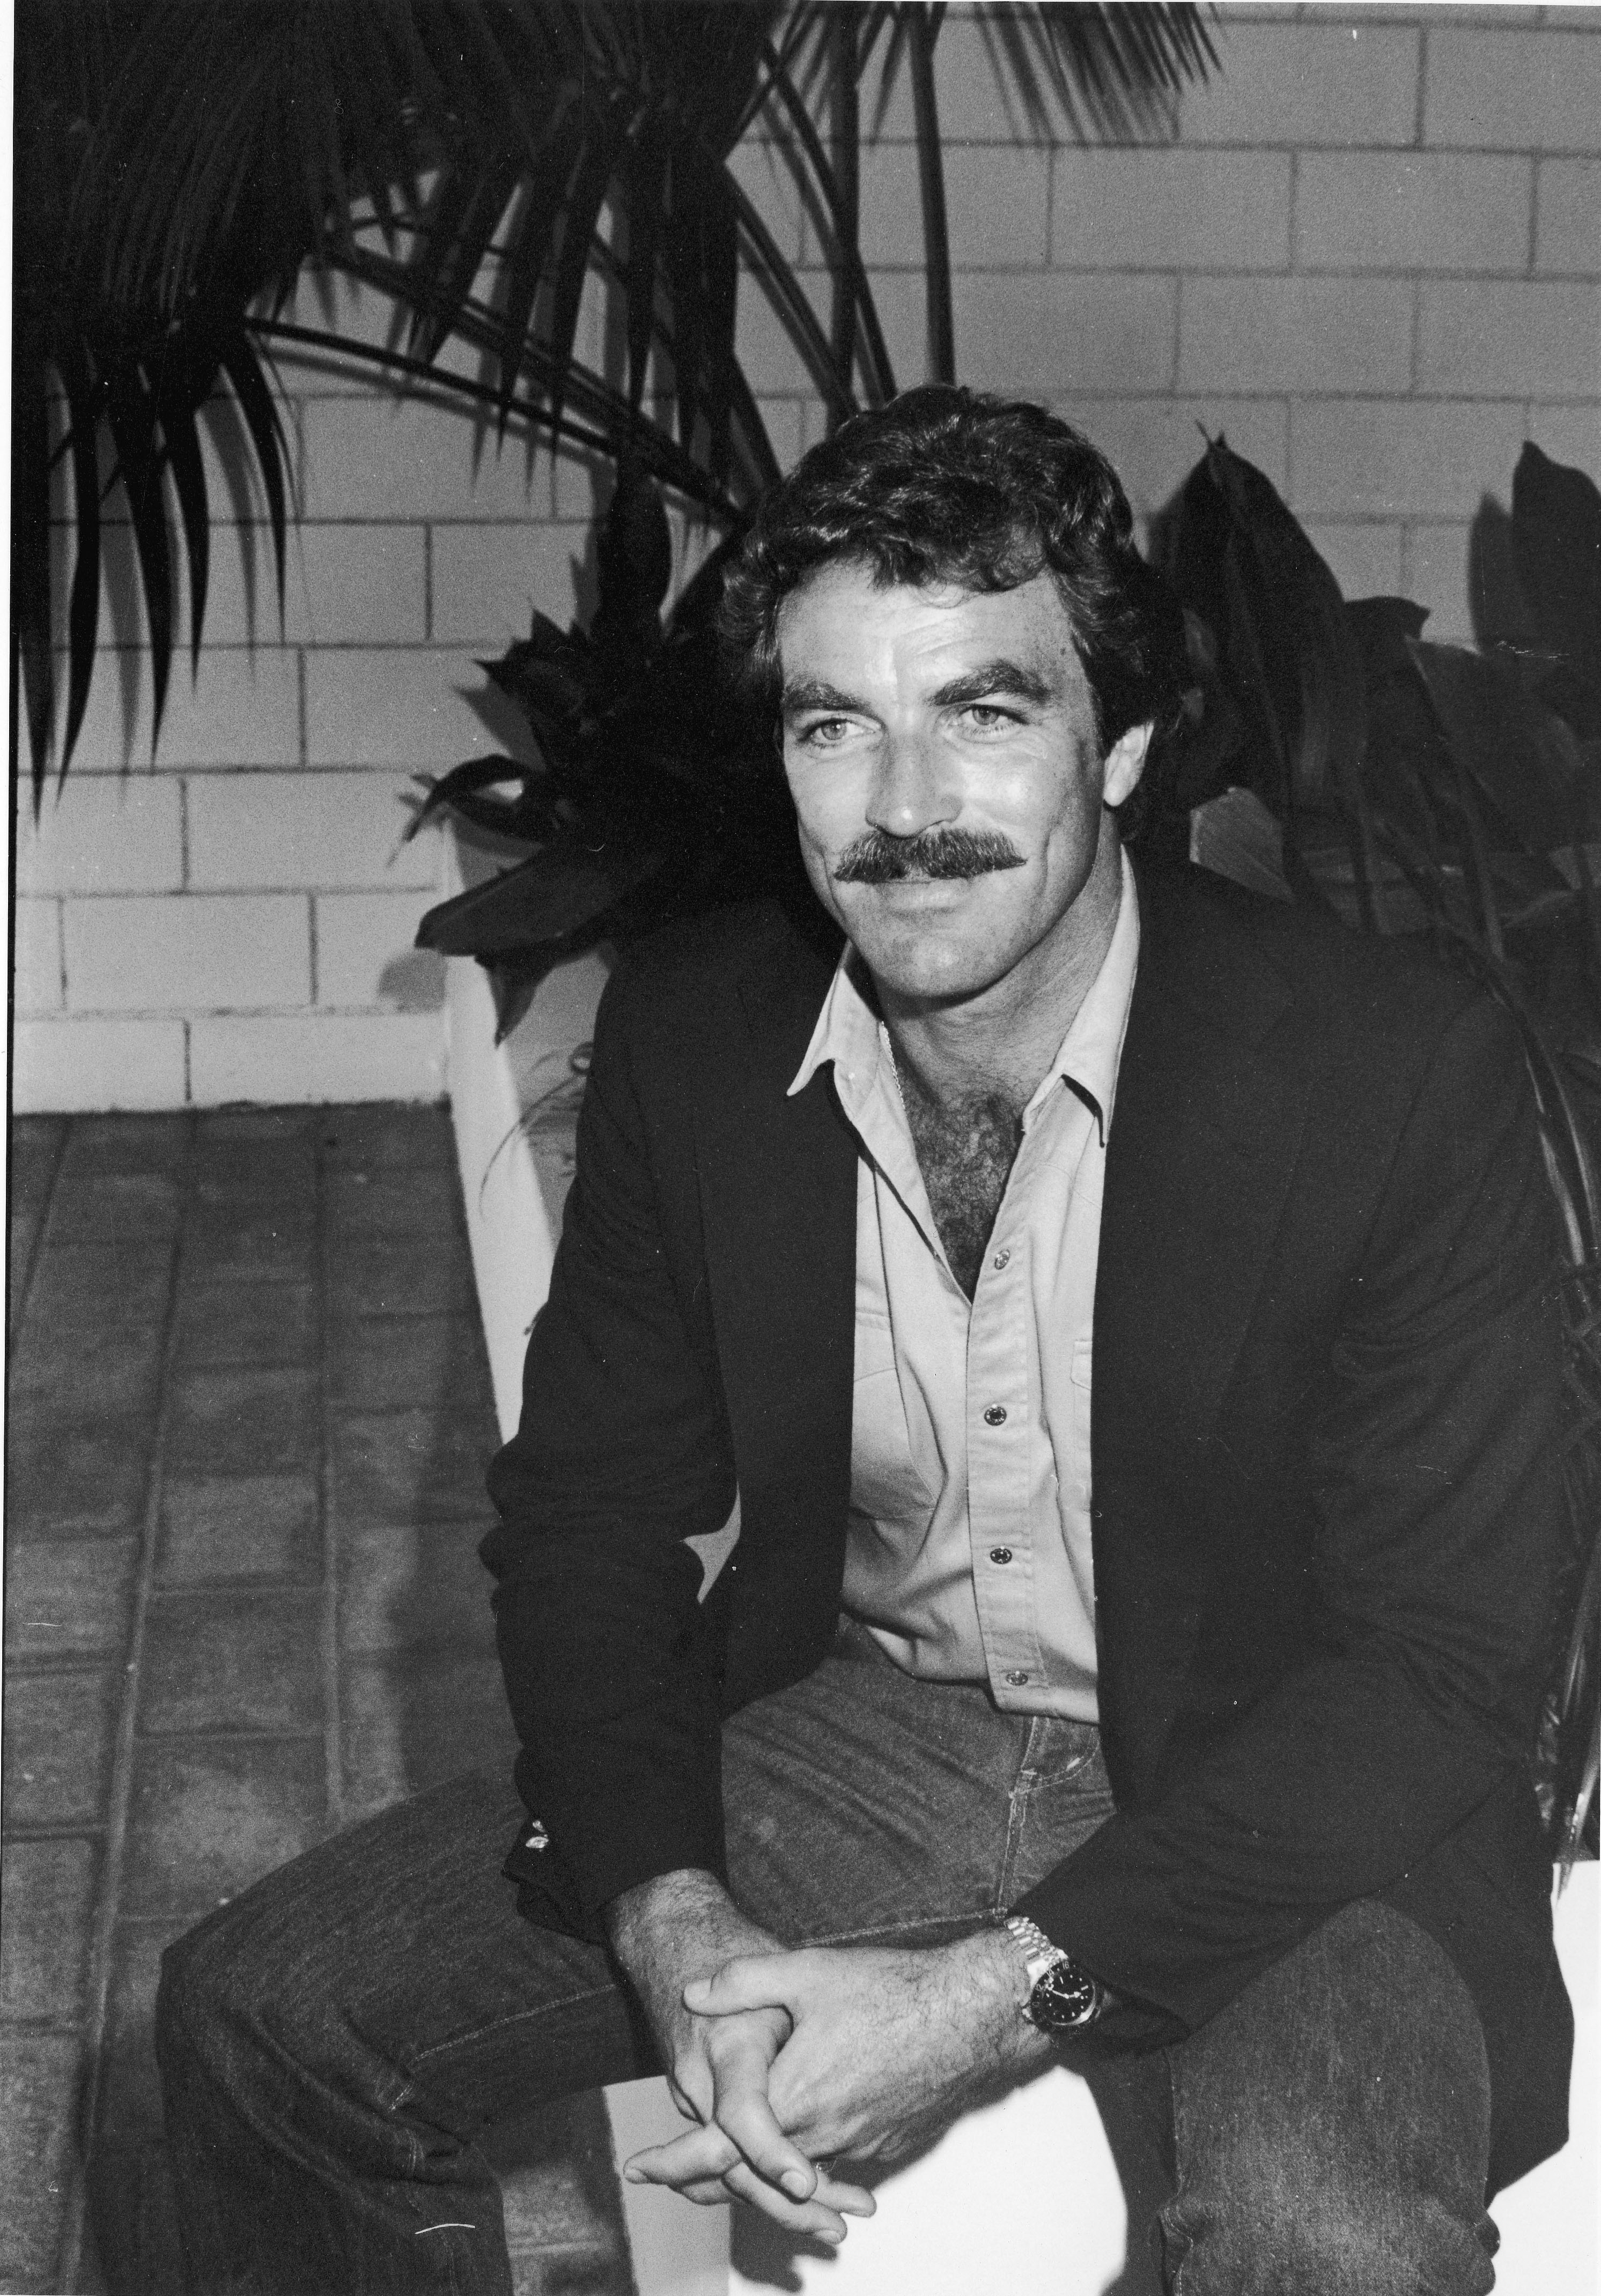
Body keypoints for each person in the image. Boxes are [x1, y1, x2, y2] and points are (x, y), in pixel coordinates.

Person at [156, 387, 1573, 2295]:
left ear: (1126, 747)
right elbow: (587, 1517)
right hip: (880, 1726)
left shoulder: (1388, 1066)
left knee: (1326, 2239)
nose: (904, 805)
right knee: (260, 2021)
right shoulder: (698, 1036)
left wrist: (992, 1997)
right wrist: (663, 1906)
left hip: (1276, 1771)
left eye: (984, 711)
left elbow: (1436, 1665)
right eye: (838, 725)